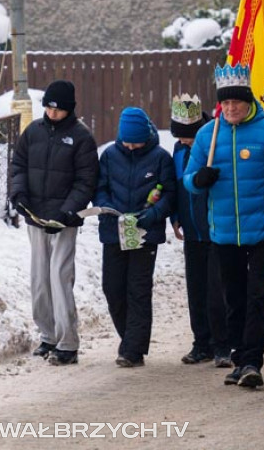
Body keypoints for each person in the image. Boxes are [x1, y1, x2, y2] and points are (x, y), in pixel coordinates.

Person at [185, 64, 264, 389]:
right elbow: (190, 179)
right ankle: (238, 354)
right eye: (226, 103)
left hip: (262, 230)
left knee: (256, 295)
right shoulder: (208, 134)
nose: (231, 108)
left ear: (248, 101)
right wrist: (199, 180)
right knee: (232, 296)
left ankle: (252, 361)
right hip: (223, 231)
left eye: (237, 102)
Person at [10, 79, 98, 366]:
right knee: (39, 279)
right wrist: (19, 194)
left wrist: (66, 213)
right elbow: (18, 165)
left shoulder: (81, 137)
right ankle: (47, 335)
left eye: (57, 110)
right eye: (48, 108)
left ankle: (68, 342)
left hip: (63, 221)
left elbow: (86, 181)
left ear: (69, 109)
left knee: (59, 278)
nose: (51, 113)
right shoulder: (33, 131)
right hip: (35, 218)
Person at [94, 107, 175, 368]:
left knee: (138, 290)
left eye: (136, 141)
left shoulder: (161, 158)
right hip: (113, 232)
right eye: (126, 141)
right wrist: (108, 208)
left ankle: (132, 349)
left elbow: (170, 195)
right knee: (113, 288)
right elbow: (100, 189)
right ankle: (130, 339)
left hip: (145, 233)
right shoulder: (108, 156)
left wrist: (151, 215)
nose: (130, 146)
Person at [169, 94, 230, 368]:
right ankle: (201, 342)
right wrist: (175, 216)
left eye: (187, 136)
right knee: (196, 289)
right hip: (191, 230)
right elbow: (177, 185)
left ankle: (223, 344)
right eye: (179, 136)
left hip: (216, 229)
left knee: (217, 290)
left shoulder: (214, 144)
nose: (183, 141)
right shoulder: (179, 150)